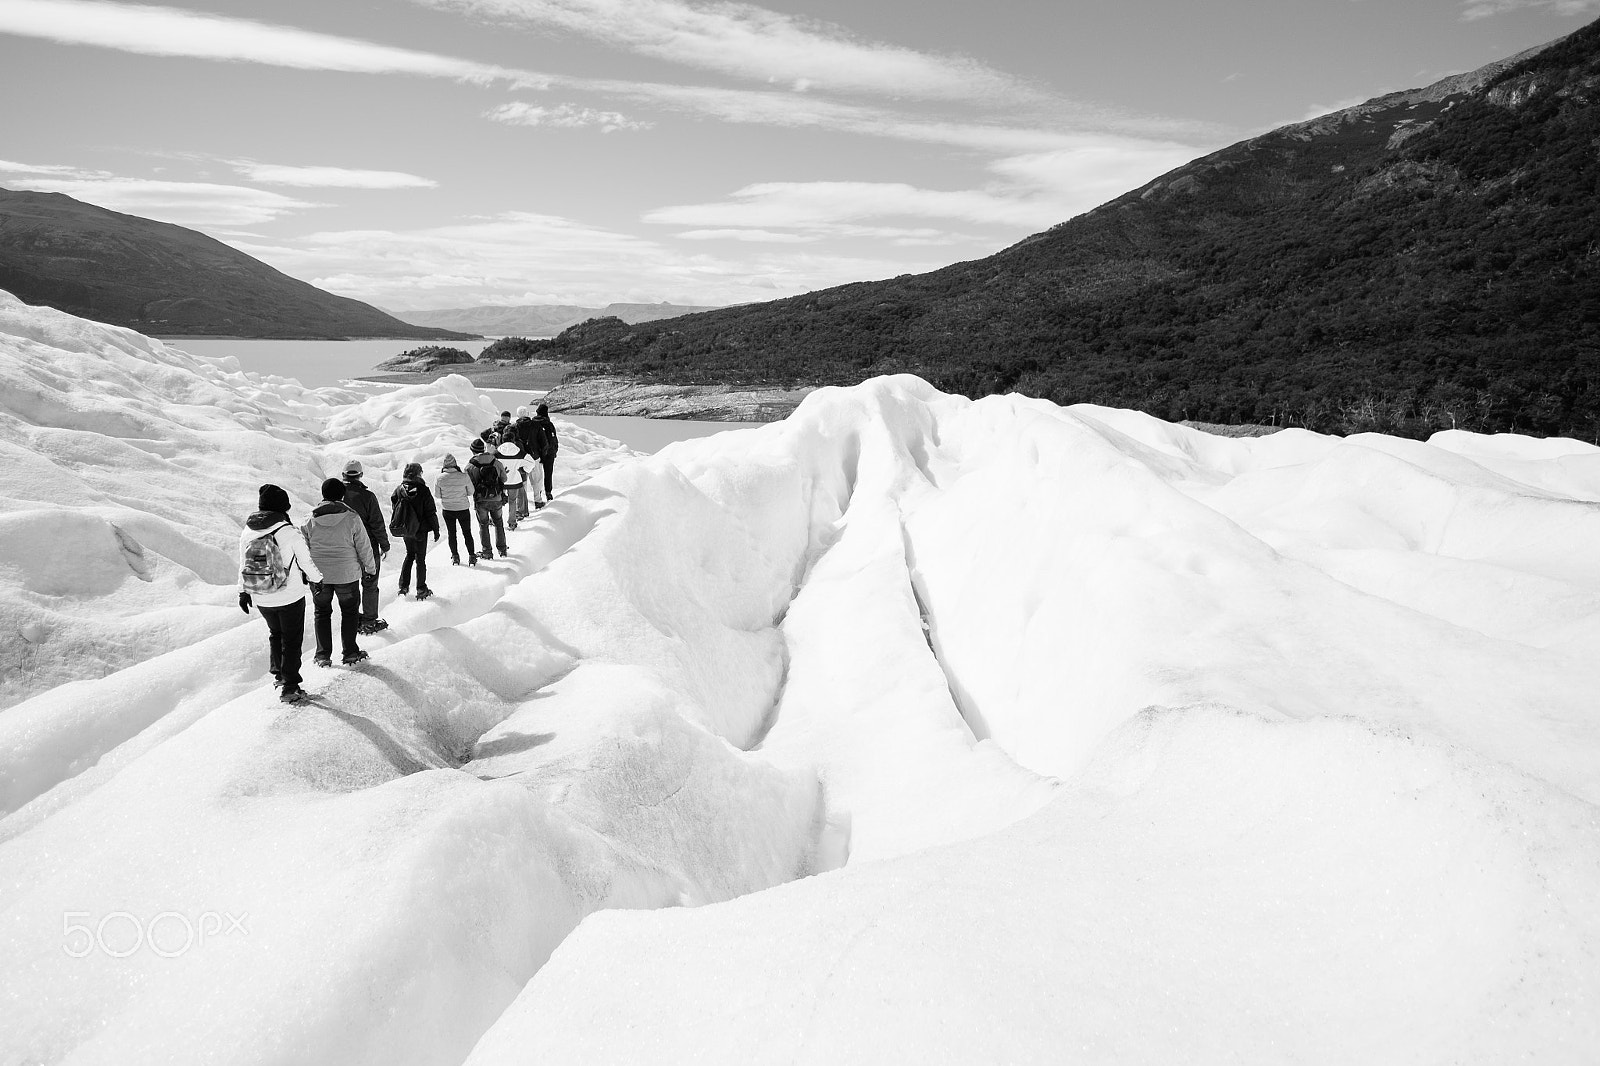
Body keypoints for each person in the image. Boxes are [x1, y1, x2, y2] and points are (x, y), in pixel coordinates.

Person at [239, 484, 324, 704]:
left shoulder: (247, 531)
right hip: (289, 594)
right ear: (282, 507)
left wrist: (243, 591)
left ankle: (279, 674)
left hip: (260, 594)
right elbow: (306, 561)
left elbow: (243, 563)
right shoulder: (288, 531)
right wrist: (318, 580)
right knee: (292, 639)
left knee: (275, 633)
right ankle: (290, 686)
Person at [303, 478, 376, 667]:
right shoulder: (352, 517)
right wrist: (370, 568)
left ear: (323, 495)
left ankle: (322, 655)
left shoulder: (309, 519)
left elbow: (303, 549)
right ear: (342, 495)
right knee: (350, 613)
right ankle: (350, 652)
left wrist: (305, 572)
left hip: (318, 576)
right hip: (347, 574)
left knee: (321, 612)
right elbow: (364, 546)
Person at [340, 459, 389, 634]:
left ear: (343, 475)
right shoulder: (368, 497)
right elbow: (377, 523)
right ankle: (369, 621)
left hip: (344, 548)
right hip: (367, 547)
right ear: (360, 475)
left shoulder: (337, 496)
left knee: (350, 586)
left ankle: (352, 620)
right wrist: (384, 544)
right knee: (369, 584)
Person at [390, 462, 440, 599]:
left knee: (410, 555)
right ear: (418, 474)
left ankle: (403, 587)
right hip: (420, 530)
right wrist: (436, 529)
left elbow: (395, 507)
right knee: (420, 559)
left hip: (406, 529)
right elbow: (430, 512)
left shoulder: (399, 489)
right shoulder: (423, 490)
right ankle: (421, 589)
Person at [467, 438, 509, 558]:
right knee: (499, 523)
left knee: (483, 525)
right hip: (497, 498)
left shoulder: (470, 466)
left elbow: (468, 486)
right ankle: (502, 550)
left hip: (481, 500)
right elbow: (504, 479)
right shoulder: (495, 462)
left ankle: (487, 551)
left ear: (472, 451)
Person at [434, 453, 477, 566]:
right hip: (463, 508)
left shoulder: (439, 478)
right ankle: (472, 556)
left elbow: (437, 495)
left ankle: (455, 557)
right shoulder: (463, 476)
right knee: (467, 532)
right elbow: (471, 491)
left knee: (451, 533)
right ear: (455, 464)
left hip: (448, 509)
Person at [496, 438, 534, 527]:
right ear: (513, 440)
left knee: (498, 500)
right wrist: (524, 469)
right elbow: (531, 462)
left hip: (501, 480)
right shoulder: (519, 452)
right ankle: (512, 522)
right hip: (514, 480)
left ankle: (497, 520)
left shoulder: (497, 452)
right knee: (512, 501)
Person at [531, 402, 559, 505]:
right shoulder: (549, 424)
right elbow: (553, 439)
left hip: (536, 453)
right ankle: (548, 492)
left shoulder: (533, 423)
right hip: (549, 453)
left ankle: (538, 494)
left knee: (537, 475)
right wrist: (554, 451)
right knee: (548, 473)